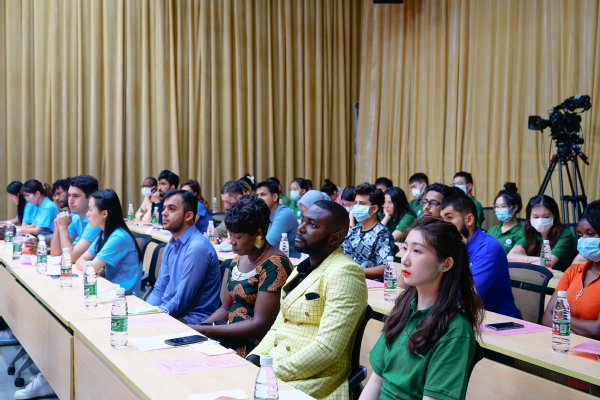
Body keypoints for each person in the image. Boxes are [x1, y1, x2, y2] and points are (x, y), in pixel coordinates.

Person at [248, 200, 368, 400]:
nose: (301, 228)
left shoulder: (345, 272)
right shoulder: (302, 268)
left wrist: (270, 372)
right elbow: (280, 325)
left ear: (335, 237)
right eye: (303, 220)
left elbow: (327, 349)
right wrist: (254, 358)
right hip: (276, 368)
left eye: (312, 224)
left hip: (313, 380)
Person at [360, 217, 484, 400]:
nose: (405, 260)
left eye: (417, 251)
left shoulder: (456, 330)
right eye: (405, 248)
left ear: (445, 264)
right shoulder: (403, 307)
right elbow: (376, 381)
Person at [190, 195, 294, 356]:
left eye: (238, 237)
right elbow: (225, 309)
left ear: (258, 233)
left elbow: (260, 325)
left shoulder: (275, 264)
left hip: (255, 346)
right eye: (230, 234)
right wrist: (198, 327)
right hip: (230, 337)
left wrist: (204, 330)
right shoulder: (238, 259)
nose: (231, 241)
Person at [146, 189, 221, 323]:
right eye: (164, 208)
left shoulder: (197, 248)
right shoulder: (171, 244)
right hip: (170, 312)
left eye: (172, 209)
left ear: (188, 216)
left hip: (192, 320)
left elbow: (181, 301)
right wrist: (144, 312)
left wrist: (153, 319)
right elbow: (159, 289)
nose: (163, 213)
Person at [441, 195, 521, 317]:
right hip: (468, 316)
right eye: (441, 219)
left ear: (469, 219)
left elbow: (466, 295)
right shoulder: (455, 245)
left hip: (499, 321)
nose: (443, 225)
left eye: (449, 218)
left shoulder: (488, 248)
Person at [542, 201, 600, 339]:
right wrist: (574, 334)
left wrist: (561, 322)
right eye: (580, 235)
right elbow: (547, 317)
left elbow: (597, 330)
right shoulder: (573, 271)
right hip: (565, 343)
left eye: (590, 234)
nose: (584, 240)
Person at [75, 189, 143, 294]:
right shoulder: (105, 233)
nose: (87, 214)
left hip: (123, 296)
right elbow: (80, 260)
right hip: (109, 289)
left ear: (104, 213)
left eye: (91, 210)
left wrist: (91, 268)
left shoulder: (119, 237)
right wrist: (91, 268)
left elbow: (90, 270)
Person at [508, 195, 578, 271]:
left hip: (561, 276)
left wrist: (524, 259)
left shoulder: (565, 234)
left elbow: (548, 263)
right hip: (536, 275)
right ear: (529, 217)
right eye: (536, 217)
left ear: (554, 216)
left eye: (546, 217)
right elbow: (509, 257)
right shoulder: (530, 231)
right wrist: (536, 260)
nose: (540, 221)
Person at [341, 183, 396, 280]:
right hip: (347, 279)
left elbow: (385, 268)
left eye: (362, 203)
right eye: (356, 203)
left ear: (374, 208)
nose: (357, 207)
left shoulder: (382, 234)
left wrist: (355, 271)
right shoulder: (353, 232)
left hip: (368, 285)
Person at [50, 175, 102, 262]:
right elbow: (55, 253)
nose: (70, 201)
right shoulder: (76, 218)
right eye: (69, 195)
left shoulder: (96, 221)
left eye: (76, 196)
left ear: (90, 198)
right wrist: (57, 228)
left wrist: (63, 227)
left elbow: (71, 258)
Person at [256, 181, 299, 254]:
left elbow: (267, 244)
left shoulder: (284, 214)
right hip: (270, 256)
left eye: (263, 194)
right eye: (257, 195)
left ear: (275, 197)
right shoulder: (263, 213)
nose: (259, 198)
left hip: (290, 259)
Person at [487, 183, 524, 255]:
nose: (499, 209)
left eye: (503, 206)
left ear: (515, 207)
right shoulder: (492, 230)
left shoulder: (522, 233)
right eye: (497, 206)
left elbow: (513, 257)